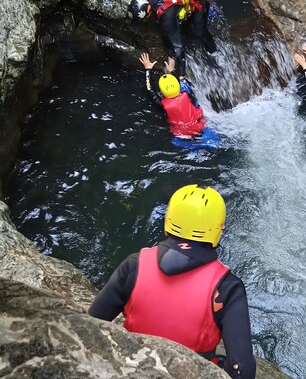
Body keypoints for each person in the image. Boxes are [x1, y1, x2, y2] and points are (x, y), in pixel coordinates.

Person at [88, 184, 256, 379]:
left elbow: (92, 323)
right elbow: (242, 370)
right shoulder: (227, 287)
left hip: (133, 367)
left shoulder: (135, 264)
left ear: (168, 221)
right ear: (218, 229)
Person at [128, 0, 216, 78]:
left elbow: (178, 47)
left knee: (199, 32)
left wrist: (182, 75)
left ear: (148, 16)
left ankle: (214, 52)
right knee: (183, 22)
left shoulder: (166, 18)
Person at [139, 52, 206, 139]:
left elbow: (149, 89)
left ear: (163, 92)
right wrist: (172, 70)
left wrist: (148, 69)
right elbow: (180, 81)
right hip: (199, 126)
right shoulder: (187, 95)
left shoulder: (162, 105)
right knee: (185, 83)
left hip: (182, 134)